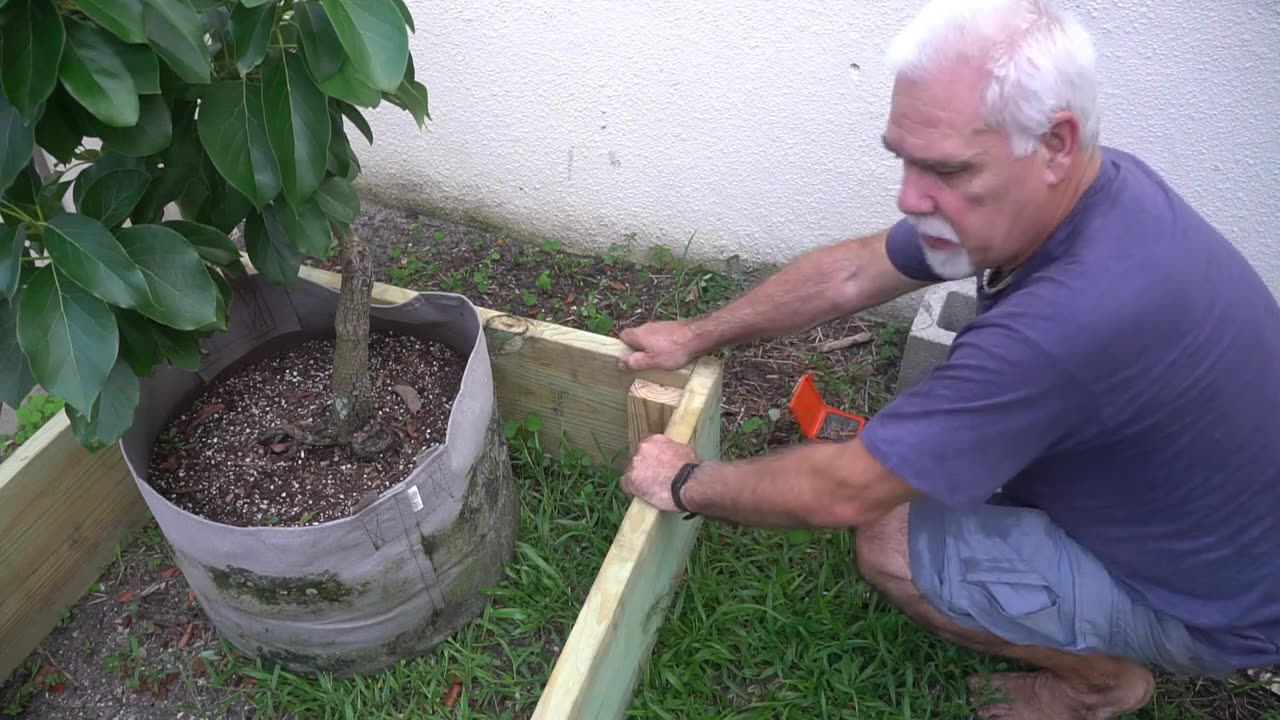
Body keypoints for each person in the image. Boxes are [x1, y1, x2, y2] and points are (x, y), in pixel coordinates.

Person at [614, 0, 1280, 718]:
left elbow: (844, 491)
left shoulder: (1068, 323)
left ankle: (1099, 685)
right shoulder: (1090, 189)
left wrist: (686, 483)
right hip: (1196, 506)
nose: (909, 194)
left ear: (1056, 143)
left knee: (890, 541)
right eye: (903, 156)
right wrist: (697, 334)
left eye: (946, 168)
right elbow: (858, 271)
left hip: (1222, 602)